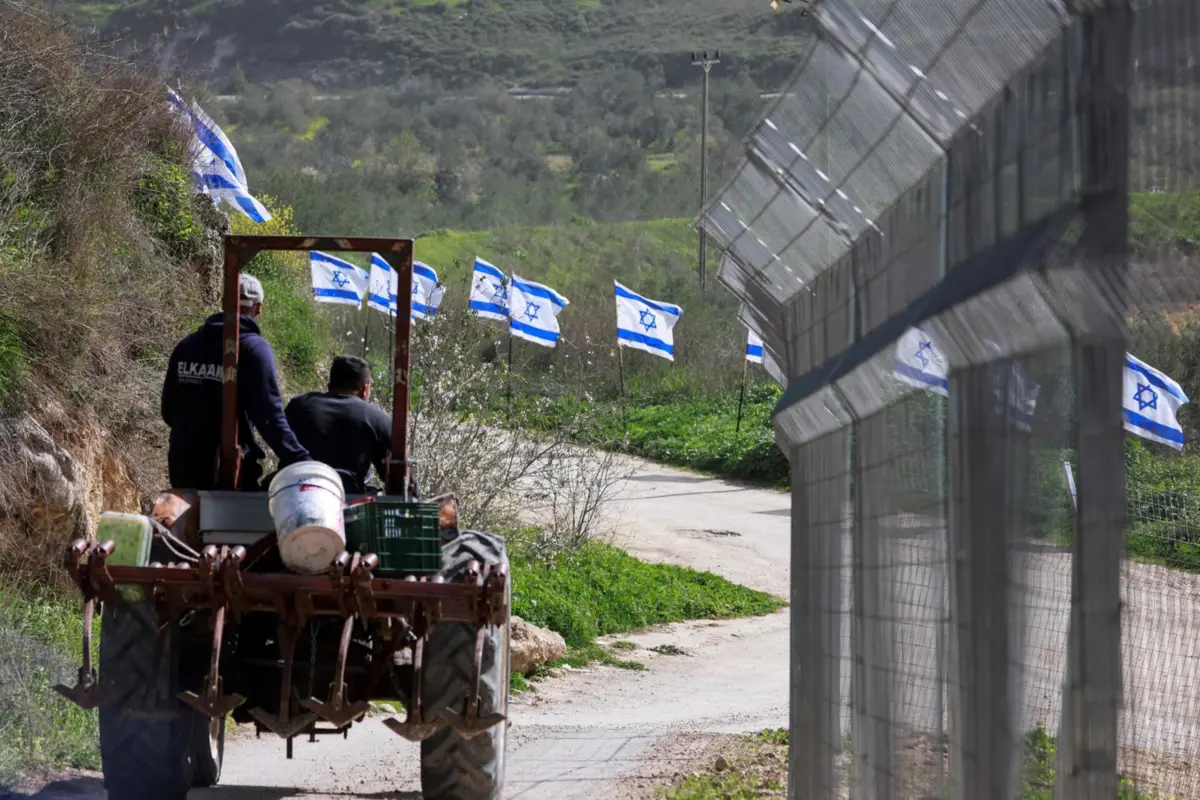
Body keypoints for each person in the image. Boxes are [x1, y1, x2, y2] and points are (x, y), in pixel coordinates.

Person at [161, 274, 310, 490]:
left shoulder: (187, 345)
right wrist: (301, 459)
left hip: (183, 463)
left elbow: (168, 409)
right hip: (229, 470)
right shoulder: (253, 349)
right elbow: (269, 417)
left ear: (223, 303)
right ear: (259, 309)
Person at [285, 355, 419, 497]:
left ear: (329, 386)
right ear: (364, 389)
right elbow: (396, 477)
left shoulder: (299, 405)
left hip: (292, 493)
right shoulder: (377, 419)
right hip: (348, 502)